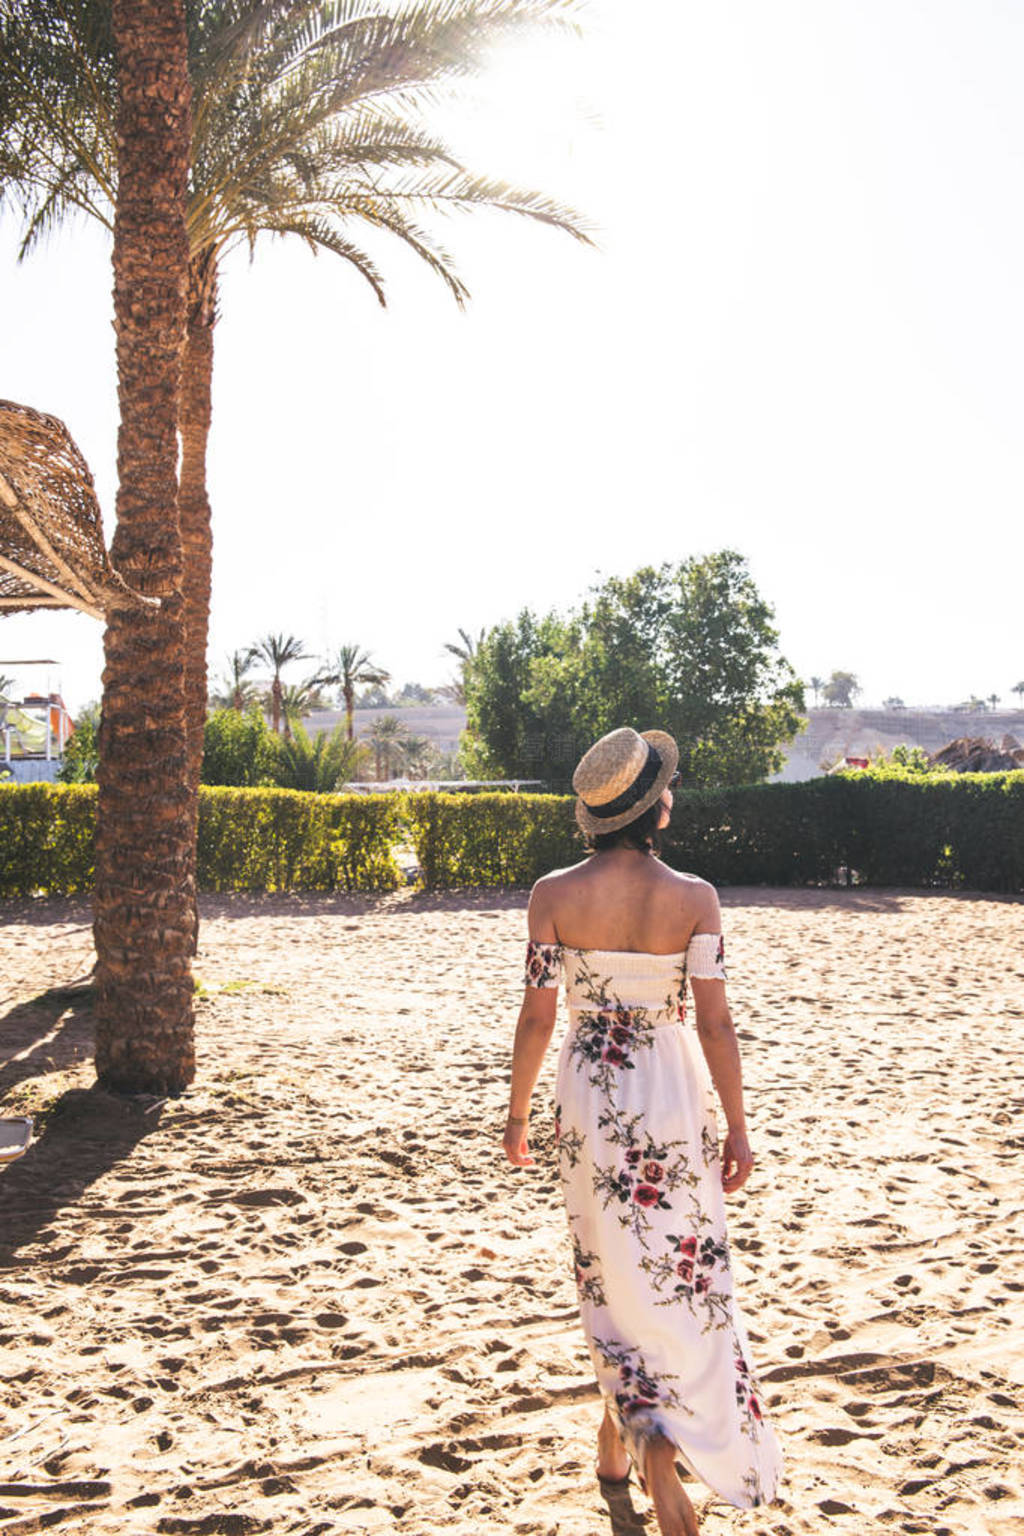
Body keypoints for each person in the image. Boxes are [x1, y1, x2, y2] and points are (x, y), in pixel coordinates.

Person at [503, 727, 782, 1536]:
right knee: (680, 1268)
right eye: (666, 789)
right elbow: (718, 1024)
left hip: (589, 1087)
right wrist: (738, 1125)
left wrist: (518, 1112)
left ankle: (633, 1443)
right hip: (669, 1083)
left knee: (610, 1266)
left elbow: (536, 1015)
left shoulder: (551, 894)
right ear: (652, 809)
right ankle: (647, 1436)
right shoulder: (695, 897)